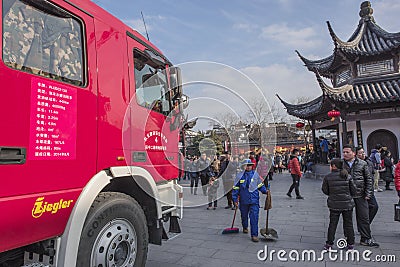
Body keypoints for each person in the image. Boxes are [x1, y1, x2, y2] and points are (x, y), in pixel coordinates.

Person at [342, 144, 379, 247]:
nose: (345, 154)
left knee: (364, 217)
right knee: (347, 218)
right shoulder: (341, 164)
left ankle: (365, 238)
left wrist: (368, 193)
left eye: (347, 152)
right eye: (344, 152)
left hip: (360, 194)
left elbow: (368, 179)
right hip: (346, 195)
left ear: (353, 153)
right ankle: (348, 239)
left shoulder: (362, 164)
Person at [322, 158, 357, 250]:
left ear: (333, 166)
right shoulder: (347, 176)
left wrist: (332, 194)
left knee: (333, 224)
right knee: (349, 224)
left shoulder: (328, 177)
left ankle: (329, 243)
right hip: (347, 204)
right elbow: (353, 190)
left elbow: (325, 190)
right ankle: (350, 243)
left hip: (334, 204)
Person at [232, 159, 268, 242]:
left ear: (252, 166)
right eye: (246, 165)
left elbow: (260, 185)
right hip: (243, 200)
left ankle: (254, 235)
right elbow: (235, 188)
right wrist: (235, 199)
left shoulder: (256, 175)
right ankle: (245, 226)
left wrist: (265, 191)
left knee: (254, 217)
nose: (248, 167)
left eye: (250, 165)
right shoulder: (239, 176)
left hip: (254, 200)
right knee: (244, 216)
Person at [356, 147, 379, 224]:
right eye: (360, 153)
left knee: (374, 206)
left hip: (369, 189)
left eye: (363, 152)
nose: (362, 154)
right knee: (361, 210)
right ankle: (363, 226)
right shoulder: (356, 163)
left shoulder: (369, 162)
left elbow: (371, 174)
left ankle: (365, 224)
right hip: (360, 190)